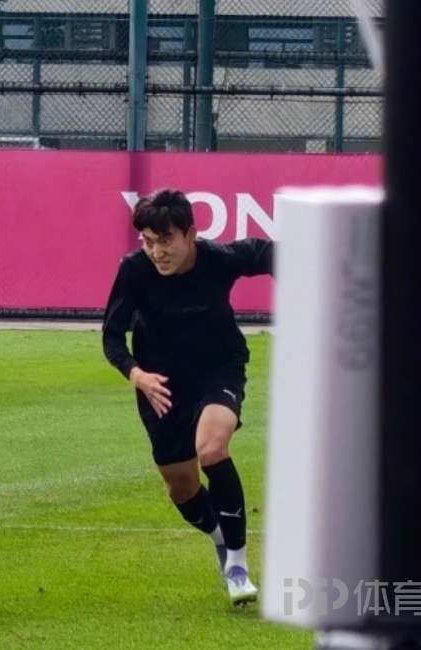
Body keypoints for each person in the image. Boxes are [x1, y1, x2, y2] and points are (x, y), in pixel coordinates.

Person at [102, 188, 273, 606]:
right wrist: (137, 375)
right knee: (181, 488)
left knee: (212, 448)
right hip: (160, 384)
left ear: (191, 234)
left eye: (165, 241)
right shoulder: (134, 270)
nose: (157, 251)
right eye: (148, 241)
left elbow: (268, 252)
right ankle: (220, 539)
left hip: (218, 369)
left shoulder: (218, 259)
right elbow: (111, 336)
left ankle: (237, 566)